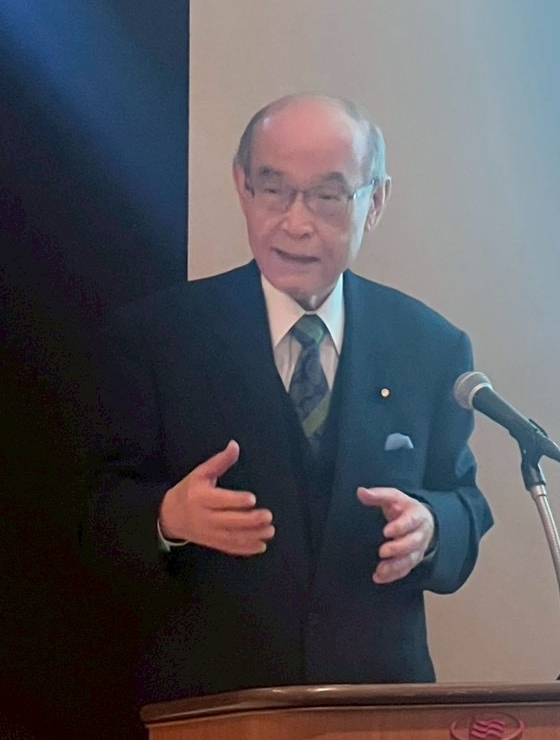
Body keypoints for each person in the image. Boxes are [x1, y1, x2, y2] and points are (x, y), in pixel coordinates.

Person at [84, 93, 493, 705]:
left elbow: (464, 500)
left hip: (377, 706)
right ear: (242, 186)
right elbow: (90, 514)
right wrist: (168, 517)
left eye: (328, 196)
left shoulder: (429, 347)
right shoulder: (157, 338)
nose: (296, 223)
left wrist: (432, 527)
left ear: (376, 201)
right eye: (274, 190)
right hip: (216, 706)